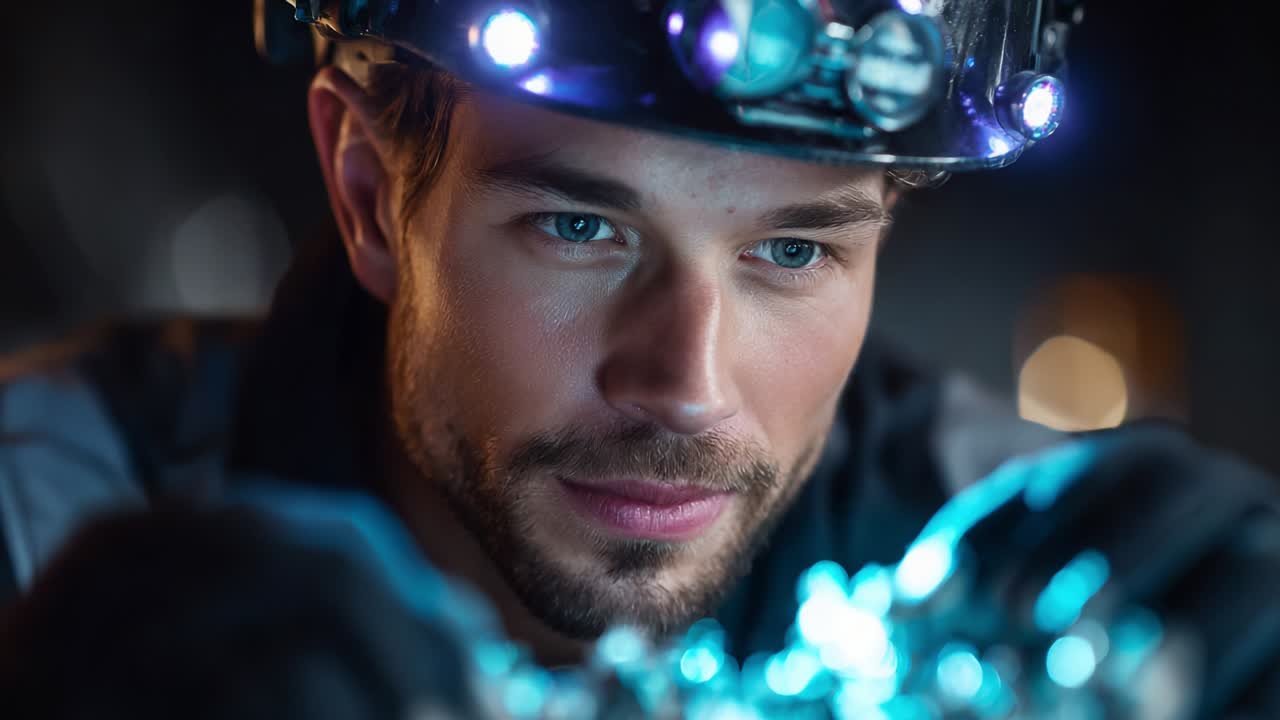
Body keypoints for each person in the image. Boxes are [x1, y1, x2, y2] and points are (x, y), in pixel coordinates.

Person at [1, 1, 1278, 717]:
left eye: (791, 251)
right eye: (579, 228)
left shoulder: (1034, 569)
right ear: (371, 197)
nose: (685, 386)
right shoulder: (39, 524)